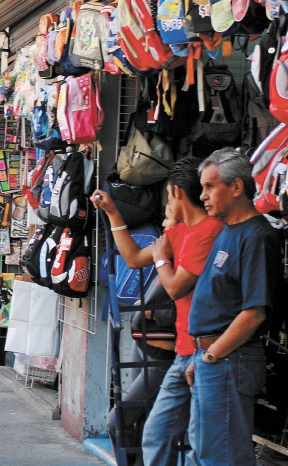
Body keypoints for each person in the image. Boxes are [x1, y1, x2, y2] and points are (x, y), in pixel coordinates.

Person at [92, 158, 222, 466]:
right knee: (154, 432)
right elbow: (135, 257)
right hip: (175, 351)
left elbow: (175, 286)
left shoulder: (209, 232)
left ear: (176, 193)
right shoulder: (180, 234)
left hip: (193, 351)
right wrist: (112, 212)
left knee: (178, 437)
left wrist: (163, 259)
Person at [186, 149, 282, 466]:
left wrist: (212, 355)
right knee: (207, 452)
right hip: (212, 359)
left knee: (222, 457)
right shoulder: (229, 230)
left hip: (228, 360)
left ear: (237, 187)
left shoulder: (256, 236)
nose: (203, 196)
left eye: (210, 186)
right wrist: (201, 357)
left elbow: (254, 312)